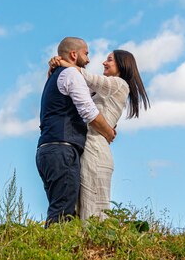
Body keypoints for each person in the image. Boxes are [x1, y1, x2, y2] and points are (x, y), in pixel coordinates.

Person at [50, 49, 149, 221]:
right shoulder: (104, 89)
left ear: (122, 65)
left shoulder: (119, 84)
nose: (104, 62)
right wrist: (53, 70)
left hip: (95, 152)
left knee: (92, 210)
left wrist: (64, 64)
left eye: (110, 60)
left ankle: (96, 246)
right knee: (83, 207)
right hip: (90, 149)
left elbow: (88, 78)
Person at [36, 37, 116, 227]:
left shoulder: (57, 75)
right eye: (86, 53)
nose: (88, 60)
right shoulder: (71, 74)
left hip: (50, 149)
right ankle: (54, 251)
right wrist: (108, 132)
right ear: (74, 54)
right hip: (61, 149)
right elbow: (88, 110)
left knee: (62, 207)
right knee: (63, 211)